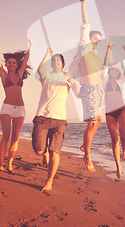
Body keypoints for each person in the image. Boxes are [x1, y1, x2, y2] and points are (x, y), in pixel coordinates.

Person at [32, 47, 80, 192]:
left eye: (58, 60)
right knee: (39, 151)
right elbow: (40, 70)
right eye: (53, 60)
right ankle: (44, 152)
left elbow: (78, 94)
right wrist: (47, 54)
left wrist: (76, 85)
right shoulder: (46, 75)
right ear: (51, 64)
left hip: (60, 120)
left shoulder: (68, 77)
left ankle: (49, 182)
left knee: (55, 152)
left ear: (63, 64)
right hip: (42, 117)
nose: (55, 61)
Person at [68, 0, 104, 172]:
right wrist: (83, 3)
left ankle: (84, 146)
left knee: (98, 120)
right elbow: (85, 23)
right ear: (88, 38)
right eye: (94, 38)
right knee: (91, 123)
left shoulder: (96, 55)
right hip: (89, 90)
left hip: (98, 90)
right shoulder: (84, 46)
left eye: (98, 40)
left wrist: (103, 90)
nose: (96, 41)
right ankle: (87, 156)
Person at [0, 36, 33, 173]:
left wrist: (31, 46)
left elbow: (25, 59)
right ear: (6, 65)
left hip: (20, 110)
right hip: (6, 108)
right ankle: (1, 164)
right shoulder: (3, 75)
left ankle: (10, 164)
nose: (12, 64)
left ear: (16, 65)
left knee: (15, 137)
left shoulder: (19, 74)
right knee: (6, 136)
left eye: (13, 62)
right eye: (9, 63)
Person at [101, 41, 125, 178]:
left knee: (123, 131)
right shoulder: (104, 80)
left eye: (116, 70)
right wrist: (108, 50)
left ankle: (124, 151)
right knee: (114, 140)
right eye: (112, 70)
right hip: (110, 112)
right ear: (109, 71)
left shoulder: (120, 81)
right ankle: (118, 167)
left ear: (118, 73)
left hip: (122, 108)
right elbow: (104, 65)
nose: (114, 71)